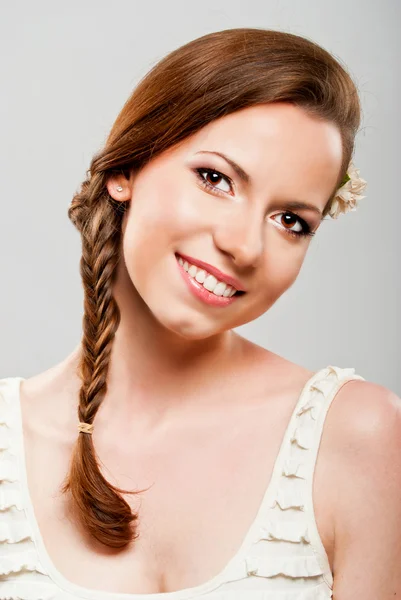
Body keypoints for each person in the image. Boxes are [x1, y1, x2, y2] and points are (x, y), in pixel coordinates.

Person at [0, 27, 400, 600]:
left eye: (291, 220)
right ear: (124, 171)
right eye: (216, 179)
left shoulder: (358, 436)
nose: (245, 246)